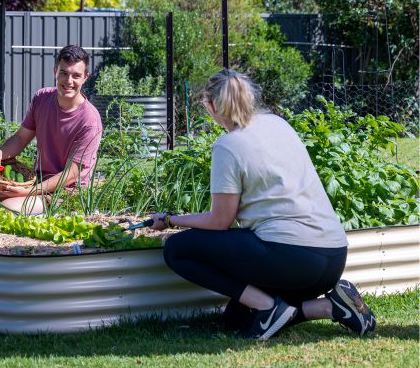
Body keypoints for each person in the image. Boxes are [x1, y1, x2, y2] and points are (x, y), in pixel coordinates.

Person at [150, 69, 376, 340]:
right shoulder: (278, 124)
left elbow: (220, 221)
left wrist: (171, 219)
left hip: (292, 257)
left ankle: (267, 306)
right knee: (237, 322)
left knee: (177, 249)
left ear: (210, 106)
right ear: (249, 99)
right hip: (333, 257)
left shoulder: (228, 146)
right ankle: (331, 305)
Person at [0, 44, 103, 215]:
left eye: (76, 76)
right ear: (55, 71)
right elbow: (21, 138)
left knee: (7, 209)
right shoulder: (42, 98)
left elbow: (71, 174)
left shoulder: (89, 120)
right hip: (35, 182)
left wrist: (27, 191)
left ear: (85, 77)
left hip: (66, 194)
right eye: (64, 73)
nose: (69, 81)